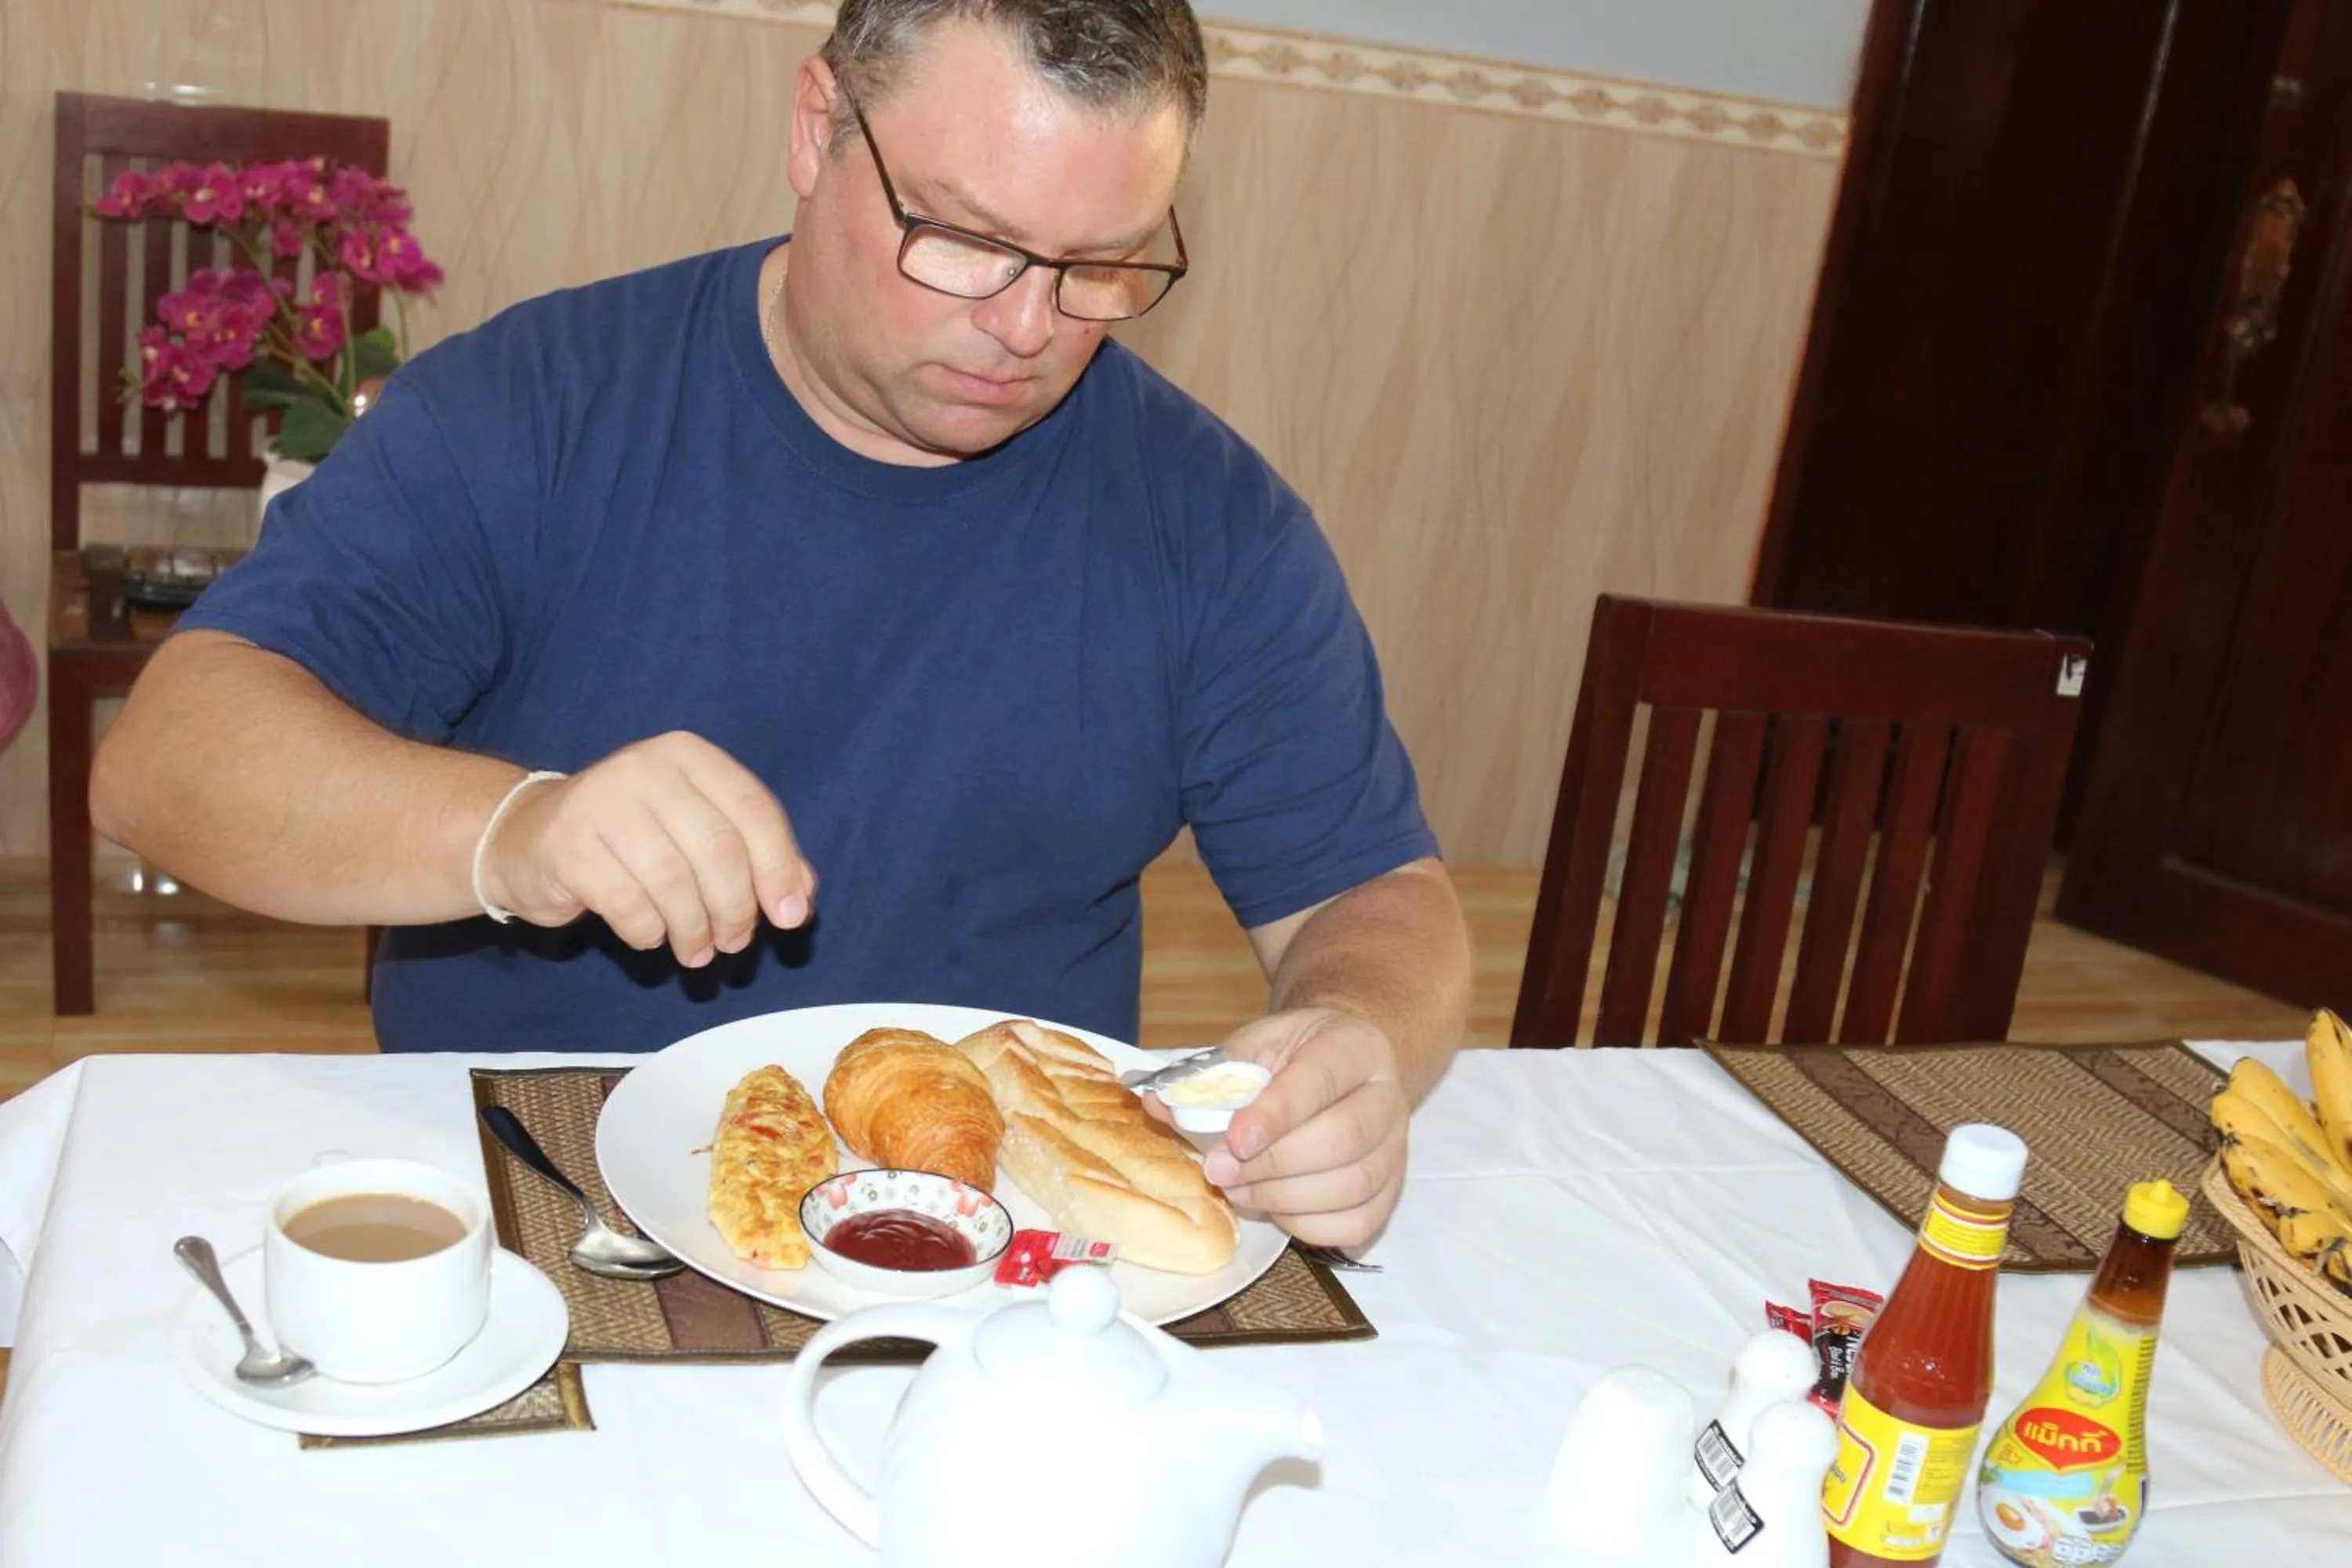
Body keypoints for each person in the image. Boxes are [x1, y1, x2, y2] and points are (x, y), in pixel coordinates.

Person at [89, 0, 1470, 1248]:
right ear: (817, 130)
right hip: (544, 1200)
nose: (1031, 326)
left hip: (1004, 1245)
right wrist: (516, 829)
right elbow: (167, 761)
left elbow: (1374, 894)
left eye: (1101, 266)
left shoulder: (1211, 524)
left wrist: (1353, 1035)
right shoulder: (537, 414)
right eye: (971, 241)